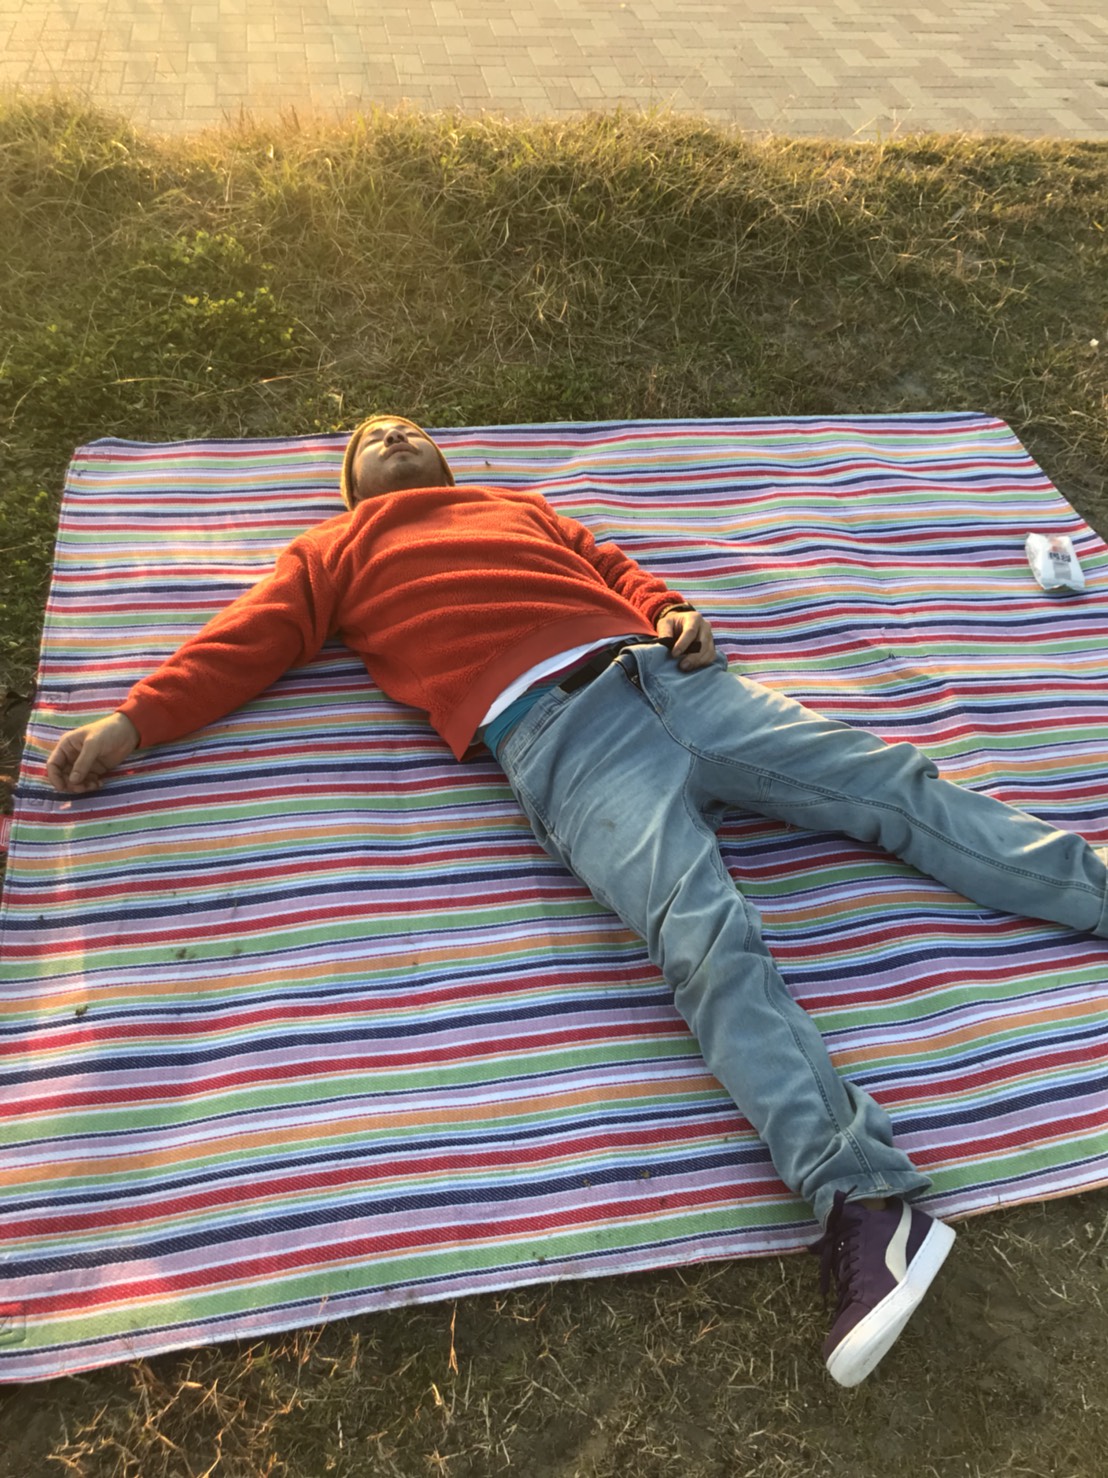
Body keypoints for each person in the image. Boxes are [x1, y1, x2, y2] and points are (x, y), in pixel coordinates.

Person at [46, 415, 1108, 1387]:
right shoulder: (336, 551)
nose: (393, 431)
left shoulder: (512, 507)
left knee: (897, 787)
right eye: (371, 436)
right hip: (564, 742)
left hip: (678, 680)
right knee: (701, 937)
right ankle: (864, 1198)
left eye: (407, 425)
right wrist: (133, 723)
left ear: (446, 462)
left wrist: (668, 608)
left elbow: (607, 562)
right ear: (351, 487)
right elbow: (247, 639)